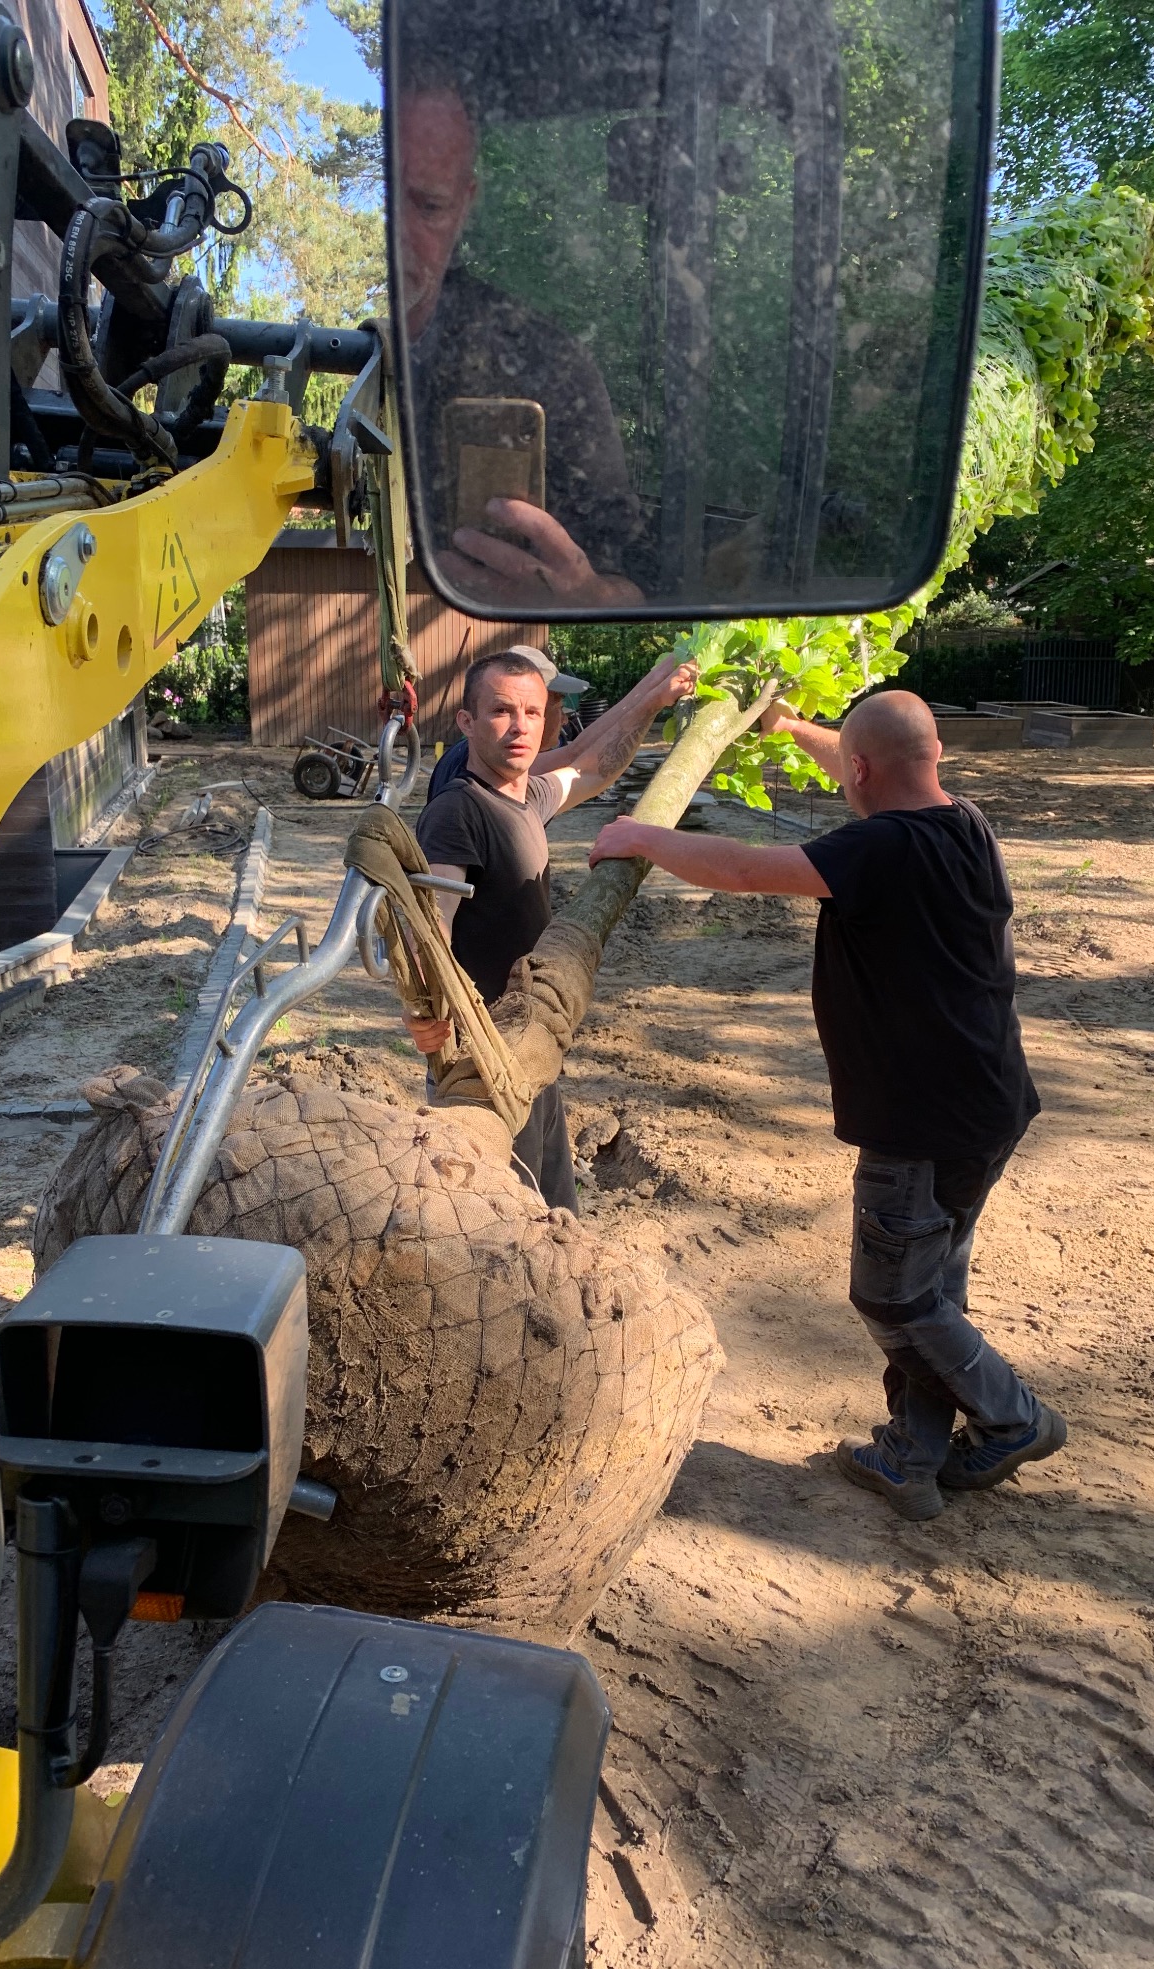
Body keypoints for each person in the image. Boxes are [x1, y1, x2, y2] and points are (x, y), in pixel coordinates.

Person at [588, 689, 1067, 1522]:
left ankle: (1015, 1417)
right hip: (986, 1105)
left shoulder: (877, 848)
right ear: (936, 755)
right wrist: (789, 727)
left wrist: (639, 838)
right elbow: (871, 755)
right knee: (929, 1289)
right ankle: (910, 1456)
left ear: (859, 771)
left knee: (893, 1297)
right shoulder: (966, 822)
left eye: (843, 761)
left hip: (919, 1122)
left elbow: (740, 869)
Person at [407, 645, 696, 1209]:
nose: (521, 727)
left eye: (533, 713)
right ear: (467, 722)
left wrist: (656, 698)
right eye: (501, 711)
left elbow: (594, 765)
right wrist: (425, 1010)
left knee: (551, 1207)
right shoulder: (458, 812)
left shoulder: (525, 797)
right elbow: (431, 928)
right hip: (482, 1066)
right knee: (497, 1221)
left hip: (532, 1043)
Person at [397, 83, 644, 607]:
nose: (396, 232)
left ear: (466, 204)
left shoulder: (546, 365)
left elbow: (639, 583)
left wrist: (584, 595)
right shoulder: (318, 357)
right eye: (381, 201)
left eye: (428, 205)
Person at [424, 643, 585, 802]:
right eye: (502, 710)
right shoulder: (492, 773)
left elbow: (581, 759)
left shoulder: (471, 755)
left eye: (531, 712)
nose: (564, 719)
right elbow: (578, 758)